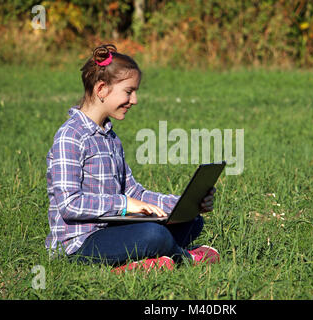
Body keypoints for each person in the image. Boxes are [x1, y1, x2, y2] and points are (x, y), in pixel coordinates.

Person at [45, 44, 219, 273]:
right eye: (128, 91)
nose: (134, 100)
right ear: (102, 89)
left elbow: (134, 193)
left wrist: (184, 204)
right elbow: (69, 204)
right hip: (80, 243)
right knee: (154, 234)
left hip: (115, 229)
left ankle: (144, 263)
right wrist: (124, 204)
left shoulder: (110, 138)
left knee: (191, 221)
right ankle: (184, 257)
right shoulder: (71, 137)